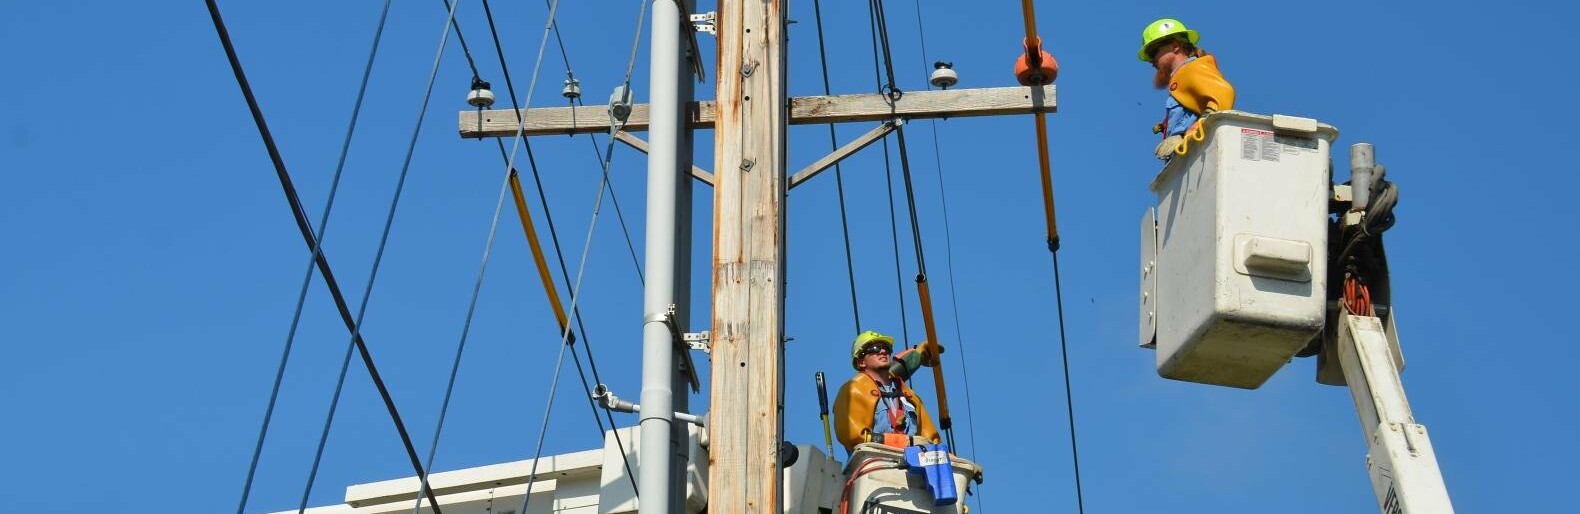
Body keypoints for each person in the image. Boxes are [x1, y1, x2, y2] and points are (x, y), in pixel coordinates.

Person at [1140, 18, 1236, 160]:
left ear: (1175, 46)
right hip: (1186, 158)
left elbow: (1224, 94)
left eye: (1153, 51)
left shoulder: (1193, 69)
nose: (1151, 59)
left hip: (1197, 154)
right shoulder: (1181, 75)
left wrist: (1194, 130)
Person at [832, 330, 942, 453]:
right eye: (874, 348)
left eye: (886, 348)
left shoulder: (909, 396)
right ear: (861, 362)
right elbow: (853, 436)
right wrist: (904, 442)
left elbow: (932, 440)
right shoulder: (853, 390)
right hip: (877, 463)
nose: (883, 351)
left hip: (916, 465)